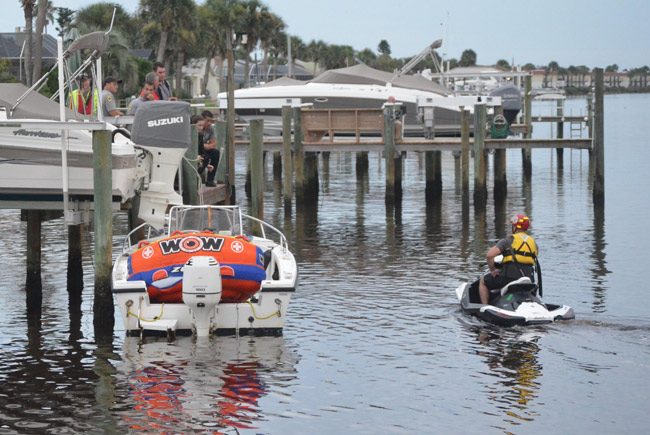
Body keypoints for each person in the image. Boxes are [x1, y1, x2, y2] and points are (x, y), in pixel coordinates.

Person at [478, 213, 539, 305]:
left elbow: (489, 256)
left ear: (514, 227)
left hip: (509, 278)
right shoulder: (533, 243)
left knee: (483, 281)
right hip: (528, 279)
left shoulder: (508, 240)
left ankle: (485, 307)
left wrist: (493, 270)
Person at [200, 110, 219, 187]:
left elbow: (213, 144)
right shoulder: (196, 126)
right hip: (195, 150)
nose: (210, 123)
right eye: (207, 121)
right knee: (206, 157)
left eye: (211, 121)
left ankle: (210, 180)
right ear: (202, 119)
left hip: (203, 149)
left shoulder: (210, 128)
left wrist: (202, 145)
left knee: (215, 153)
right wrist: (205, 145)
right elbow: (193, 144)